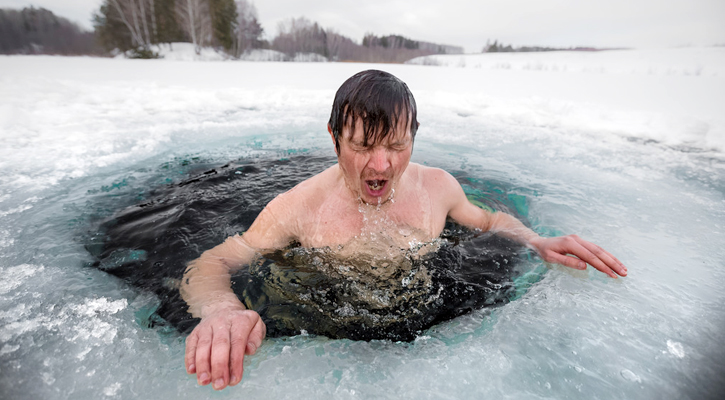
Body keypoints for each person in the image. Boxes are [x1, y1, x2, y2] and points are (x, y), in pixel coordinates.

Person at [180, 70, 627, 390]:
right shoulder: (297, 207)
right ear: (334, 138)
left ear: (413, 136)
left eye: (397, 145)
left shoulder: (438, 187)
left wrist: (536, 239)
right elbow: (214, 261)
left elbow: (488, 220)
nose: (382, 165)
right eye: (362, 146)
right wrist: (221, 310)